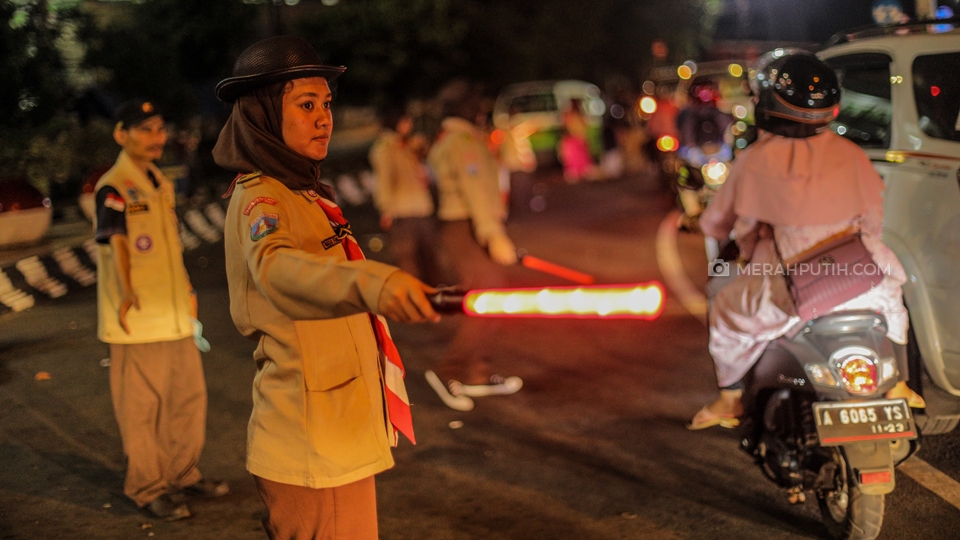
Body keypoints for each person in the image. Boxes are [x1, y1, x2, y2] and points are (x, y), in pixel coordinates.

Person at [212, 35, 440, 540]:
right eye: (306, 104)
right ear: (263, 115)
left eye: (327, 104)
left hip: (335, 434)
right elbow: (278, 270)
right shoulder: (261, 199)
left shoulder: (302, 192)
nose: (324, 119)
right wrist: (372, 281)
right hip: (310, 445)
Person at [688, 51, 924, 430]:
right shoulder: (852, 154)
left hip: (791, 290)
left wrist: (744, 252)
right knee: (895, 305)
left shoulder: (755, 160)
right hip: (863, 280)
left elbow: (729, 227)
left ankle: (730, 397)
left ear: (767, 102)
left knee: (727, 314)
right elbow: (872, 222)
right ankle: (900, 384)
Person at [94, 99, 228, 521]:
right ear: (121, 135)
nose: (156, 137)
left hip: (174, 315)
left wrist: (187, 290)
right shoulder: (113, 187)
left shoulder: (159, 183)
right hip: (137, 319)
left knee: (188, 400)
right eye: (144, 129)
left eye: (159, 128)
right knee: (141, 411)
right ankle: (148, 487)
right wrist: (126, 291)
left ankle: (183, 473)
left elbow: (168, 249)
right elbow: (116, 242)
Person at [424, 80, 523, 411]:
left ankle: (476, 373)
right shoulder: (463, 142)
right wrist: (493, 235)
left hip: (464, 226)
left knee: (491, 299)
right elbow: (475, 190)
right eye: (477, 104)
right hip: (466, 226)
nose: (482, 110)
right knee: (487, 297)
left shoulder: (454, 139)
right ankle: (449, 371)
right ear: (463, 107)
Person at [369, 104, 444, 285]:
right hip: (401, 212)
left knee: (431, 257)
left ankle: (435, 291)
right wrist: (386, 209)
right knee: (409, 261)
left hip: (421, 209)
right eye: (406, 120)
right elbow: (384, 181)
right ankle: (414, 294)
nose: (409, 124)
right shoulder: (385, 148)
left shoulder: (408, 144)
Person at [558, 98, 599, 182]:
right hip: (576, 141)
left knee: (580, 163)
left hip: (576, 141)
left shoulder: (572, 115)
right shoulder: (573, 115)